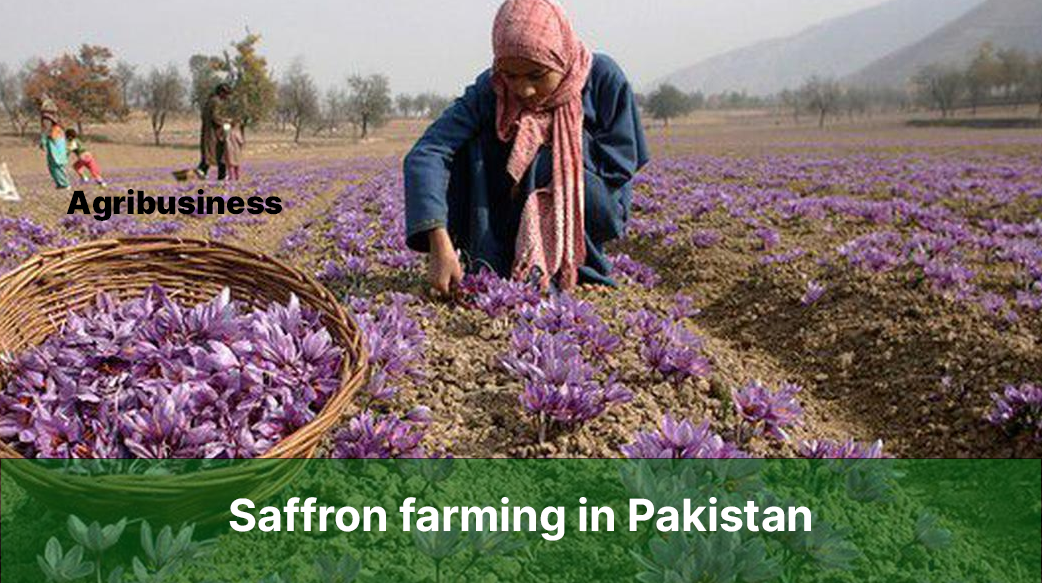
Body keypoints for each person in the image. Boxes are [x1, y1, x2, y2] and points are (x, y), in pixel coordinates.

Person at [403, 0, 648, 296]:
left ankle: (572, 265)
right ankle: (489, 259)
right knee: (474, 146)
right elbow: (428, 152)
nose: (522, 89)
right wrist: (438, 240)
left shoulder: (601, 77)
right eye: (511, 75)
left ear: (560, 58)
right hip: (512, 205)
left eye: (536, 75)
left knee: (544, 154)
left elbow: (619, 165)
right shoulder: (492, 86)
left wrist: (550, 145)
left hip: (592, 204)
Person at [196, 83, 233, 180]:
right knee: (221, 154)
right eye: (226, 94)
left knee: (210, 156)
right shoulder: (216, 102)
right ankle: (221, 176)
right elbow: (215, 117)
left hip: (209, 132)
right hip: (214, 134)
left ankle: (204, 172)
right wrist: (226, 121)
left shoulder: (210, 101)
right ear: (221, 92)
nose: (227, 97)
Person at [38, 94, 70, 190]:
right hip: (60, 137)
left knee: (54, 162)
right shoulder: (55, 114)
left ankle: (63, 184)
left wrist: (43, 141)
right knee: (58, 162)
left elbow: (46, 128)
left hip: (54, 139)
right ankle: (62, 183)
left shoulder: (46, 116)